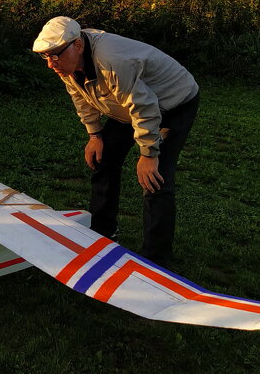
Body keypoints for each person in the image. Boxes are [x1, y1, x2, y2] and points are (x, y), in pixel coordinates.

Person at [32, 16, 199, 265]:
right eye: (45, 56)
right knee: (104, 160)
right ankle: (102, 233)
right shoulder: (65, 61)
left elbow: (145, 108)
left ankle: (157, 261)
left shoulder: (113, 62)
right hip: (126, 105)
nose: (50, 63)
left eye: (54, 55)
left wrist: (148, 154)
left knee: (155, 179)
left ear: (77, 45)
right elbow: (80, 95)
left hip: (173, 102)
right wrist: (95, 135)